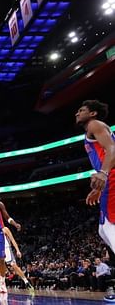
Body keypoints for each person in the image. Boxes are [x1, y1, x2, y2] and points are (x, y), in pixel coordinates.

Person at [76, 100, 115, 300]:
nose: (77, 113)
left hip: (113, 177)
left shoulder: (95, 125)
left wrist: (103, 173)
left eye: (81, 110)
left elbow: (112, 149)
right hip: (109, 181)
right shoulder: (91, 131)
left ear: (92, 113)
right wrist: (99, 189)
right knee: (103, 230)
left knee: (110, 228)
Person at [0, 227, 33, 291]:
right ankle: (0, 285)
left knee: (13, 265)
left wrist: (17, 250)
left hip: (6, 248)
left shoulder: (5, 229)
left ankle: (26, 282)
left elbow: (12, 240)